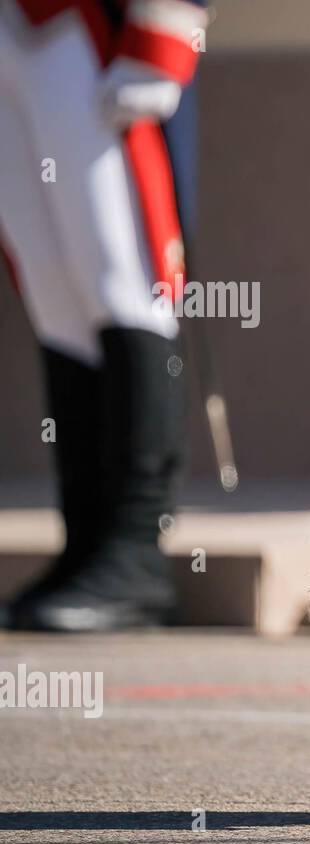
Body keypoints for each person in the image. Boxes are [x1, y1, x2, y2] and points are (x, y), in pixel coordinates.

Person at [0, 0, 207, 630]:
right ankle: (88, 544)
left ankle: (134, 551)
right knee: (55, 294)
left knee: (123, 281)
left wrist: (165, 31)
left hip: (93, 26)